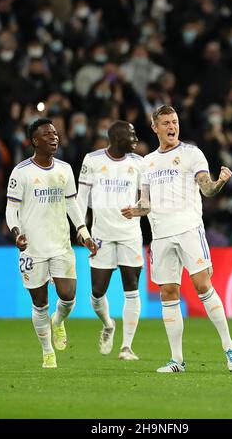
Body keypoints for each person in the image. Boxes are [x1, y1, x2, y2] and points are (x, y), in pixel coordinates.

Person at [122, 105, 232, 373]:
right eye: (164, 123)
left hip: (188, 229)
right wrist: (135, 211)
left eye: (174, 121)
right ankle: (177, 359)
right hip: (161, 235)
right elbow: (145, 203)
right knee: (168, 293)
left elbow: (208, 189)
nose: (171, 127)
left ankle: (229, 348)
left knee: (202, 285)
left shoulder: (191, 154)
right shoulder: (147, 163)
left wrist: (220, 181)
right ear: (155, 128)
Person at [6, 118, 98, 368]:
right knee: (39, 302)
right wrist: (17, 233)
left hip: (60, 244)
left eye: (55, 133)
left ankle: (58, 321)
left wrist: (84, 232)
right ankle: (47, 351)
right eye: (47, 134)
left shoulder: (65, 169)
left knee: (68, 296)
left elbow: (72, 204)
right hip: (32, 247)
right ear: (35, 141)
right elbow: (11, 208)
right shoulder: (21, 172)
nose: (54, 137)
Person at [77, 121, 143, 361]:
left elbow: (147, 199)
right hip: (101, 234)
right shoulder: (93, 160)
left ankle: (127, 347)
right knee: (97, 292)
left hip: (130, 234)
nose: (135, 139)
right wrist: (81, 228)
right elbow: (81, 197)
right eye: (131, 134)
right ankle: (108, 324)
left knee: (132, 288)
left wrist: (137, 209)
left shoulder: (139, 163)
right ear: (116, 137)